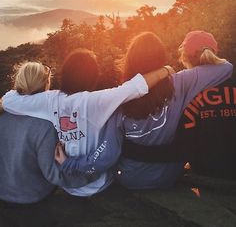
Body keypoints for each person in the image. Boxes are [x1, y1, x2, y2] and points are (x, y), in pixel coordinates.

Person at [55, 31, 233, 190]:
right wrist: (165, 71)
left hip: (130, 179)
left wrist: (69, 164)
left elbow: (106, 157)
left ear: (130, 61)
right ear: (161, 58)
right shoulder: (182, 83)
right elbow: (225, 68)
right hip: (169, 175)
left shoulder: (121, 100)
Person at [1, 48, 174, 197]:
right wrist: (164, 71)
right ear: (93, 76)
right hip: (98, 182)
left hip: (67, 184)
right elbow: (133, 88)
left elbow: (8, 100)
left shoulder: (49, 100)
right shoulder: (96, 101)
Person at [122, 75, 236, 180]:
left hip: (206, 175)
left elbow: (180, 151)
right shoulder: (230, 79)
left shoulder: (191, 96)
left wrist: (131, 149)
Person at [0, 110, 95, 227]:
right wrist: (89, 175)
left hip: (3, 199)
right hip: (33, 202)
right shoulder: (44, 126)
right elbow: (53, 174)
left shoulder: (3, 117)